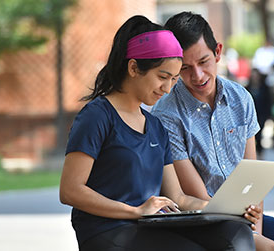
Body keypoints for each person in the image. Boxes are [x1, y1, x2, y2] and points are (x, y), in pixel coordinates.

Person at [59, 15, 258, 251]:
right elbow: (70, 191)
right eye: (162, 77)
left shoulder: (154, 126)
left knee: (236, 234)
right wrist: (135, 211)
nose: (167, 88)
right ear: (133, 67)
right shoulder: (97, 116)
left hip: (149, 226)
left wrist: (230, 210)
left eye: (174, 79)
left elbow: (179, 197)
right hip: (107, 230)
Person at [151, 11, 274, 251]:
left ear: (218, 52)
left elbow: (253, 178)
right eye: (186, 68)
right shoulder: (166, 115)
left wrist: (256, 230)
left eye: (203, 62)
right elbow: (197, 197)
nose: (197, 75)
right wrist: (252, 239)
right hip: (205, 221)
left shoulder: (240, 97)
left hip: (246, 218)